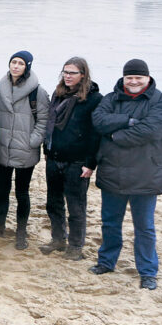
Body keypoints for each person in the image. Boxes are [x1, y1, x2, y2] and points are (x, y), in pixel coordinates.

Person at [90, 59, 162, 291]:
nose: (134, 81)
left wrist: (116, 137)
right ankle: (106, 262)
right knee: (110, 223)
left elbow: (153, 129)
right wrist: (128, 121)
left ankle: (147, 272)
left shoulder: (161, 100)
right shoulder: (111, 98)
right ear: (124, 78)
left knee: (144, 227)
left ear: (148, 78)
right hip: (112, 171)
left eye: (138, 77)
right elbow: (99, 121)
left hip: (146, 173)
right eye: (129, 77)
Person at [0, 51, 50, 250]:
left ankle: (21, 232)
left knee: (22, 192)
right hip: (3, 147)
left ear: (27, 67)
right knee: (2, 190)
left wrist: (32, 141)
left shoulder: (36, 91)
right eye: (13, 62)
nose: (15, 66)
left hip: (25, 149)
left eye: (20, 63)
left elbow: (44, 121)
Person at [40, 57, 102, 261]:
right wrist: (47, 150)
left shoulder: (93, 99)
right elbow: (50, 125)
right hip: (54, 156)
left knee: (76, 207)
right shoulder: (58, 94)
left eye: (72, 73)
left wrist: (90, 163)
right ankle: (58, 239)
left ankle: (75, 246)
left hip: (77, 162)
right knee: (53, 203)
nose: (67, 76)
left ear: (82, 74)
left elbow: (95, 134)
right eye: (65, 72)